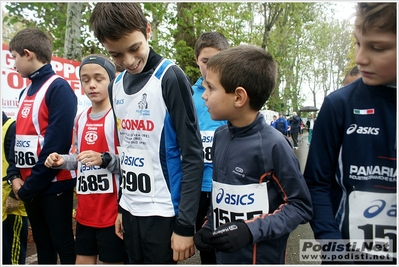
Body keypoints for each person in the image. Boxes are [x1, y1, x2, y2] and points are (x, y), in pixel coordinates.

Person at [89, 3, 204, 264]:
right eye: (116, 55)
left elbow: (193, 156)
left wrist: (185, 225)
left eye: (134, 48)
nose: (128, 61)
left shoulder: (170, 77)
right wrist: (122, 205)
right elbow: (125, 151)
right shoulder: (116, 84)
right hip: (131, 209)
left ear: (148, 31)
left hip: (164, 212)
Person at [194, 45, 313, 264]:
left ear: (239, 97)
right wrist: (208, 226)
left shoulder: (274, 145)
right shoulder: (220, 135)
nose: (204, 96)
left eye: (210, 88)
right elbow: (221, 196)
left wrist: (250, 231)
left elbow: (300, 206)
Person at [304, 3, 396, 264]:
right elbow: (316, 183)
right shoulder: (339, 104)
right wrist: (334, 251)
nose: (359, 58)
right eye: (358, 43)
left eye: (377, 47)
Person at [44, 54, 128, 264]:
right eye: (85, 79)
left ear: (111, 80)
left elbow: (130, 164)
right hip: (85, 213)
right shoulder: (80, 118)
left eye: (99, 79)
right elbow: (81, 159)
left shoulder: (118, 118)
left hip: (112, 214)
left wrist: (105, 159)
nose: (92, 85)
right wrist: (61, 161)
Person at [7, 27, 77, 264]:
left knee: (63, 243)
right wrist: (14, 174)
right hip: (29, 186)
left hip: (53, 184)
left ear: (28, 54)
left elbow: (56, 144)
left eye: (14, 56)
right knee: (43, 244)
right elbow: (18, 137)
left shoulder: (58, 88)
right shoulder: (24, 91)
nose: (13, 63)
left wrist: (29, 187)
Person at [192, 31, 229, 264]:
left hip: (225, 185)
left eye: (217, 60)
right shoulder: (188, 95)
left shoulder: (232, 94)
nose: (211, 66)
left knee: (226, 245)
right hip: (197, 187)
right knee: (205, 247)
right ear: (197, 60)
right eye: (206, 61)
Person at [2, 111, 28, 265]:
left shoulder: (11, 127)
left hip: (10, 206)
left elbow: (19, 165)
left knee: (12, 257)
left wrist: (14, 195)